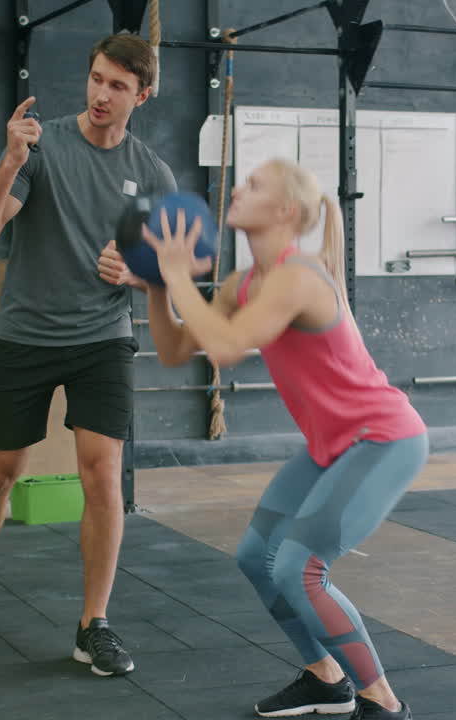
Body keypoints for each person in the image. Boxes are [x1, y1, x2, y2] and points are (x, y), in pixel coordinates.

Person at [134, 158, 428, 719]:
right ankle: (326, 677)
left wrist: (176, 276)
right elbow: (176, 351)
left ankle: (383, 701)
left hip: (384, 439)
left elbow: (226, 347)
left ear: (286, 212)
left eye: (254, 185)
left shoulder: (299, 276)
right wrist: (156, 285)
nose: (237, 191)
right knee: (255, 558)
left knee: (299, 568)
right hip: (332, 447)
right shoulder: (241, 283)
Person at [0, 32, 175, 678]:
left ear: (142, 95)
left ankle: (92, 624)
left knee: (102, 473)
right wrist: (11, 161)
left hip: (102, 339)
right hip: (26, 336)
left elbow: (168, 271)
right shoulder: (42, 151)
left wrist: (137, 272)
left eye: (118, 86)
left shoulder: (153, 174)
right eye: (97, 78)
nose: (101, 94)